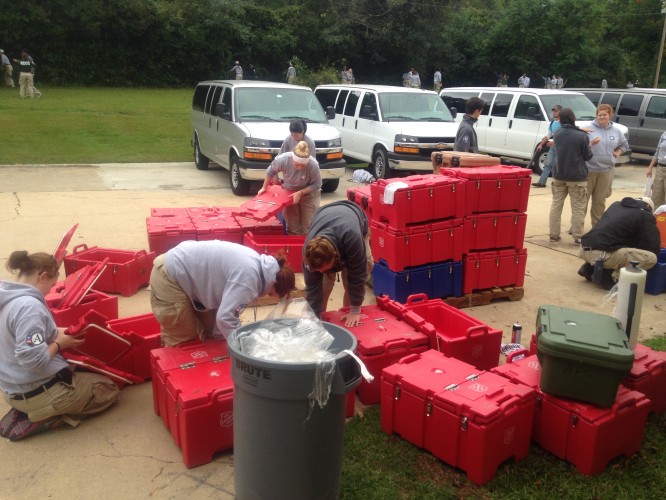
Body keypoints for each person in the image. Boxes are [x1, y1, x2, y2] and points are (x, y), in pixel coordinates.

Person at [0, 250, 119, 440]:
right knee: (108, 388)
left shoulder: (6, 295)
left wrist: (56, 332)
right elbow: (33, 360)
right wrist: (58, 343)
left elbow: (21, 335)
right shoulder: (29, 307)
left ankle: (27, 407)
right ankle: (46, 414)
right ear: (43, 276)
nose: (50, 291)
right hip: (36, 391)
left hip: (12, 389)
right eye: (52, 285)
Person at [150, 240, 295, 346]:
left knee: (209, 331)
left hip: (187, 270)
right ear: (274, 283)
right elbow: (225, 317)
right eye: (271, 294)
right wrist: (243, 346)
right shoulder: (249, 280)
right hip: (169, 275)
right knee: (183, 338)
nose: (265, 295)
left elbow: (230, 309)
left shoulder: (259, 265)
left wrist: (221, 335)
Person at [303, 200, 371, 327]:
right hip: (324, 215)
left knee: (357, 274)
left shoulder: (352, 237)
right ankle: (320, 318)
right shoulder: (308, 252)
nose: (322, 273)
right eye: (319, 270)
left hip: (354, 218)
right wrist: (313, 320)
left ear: (335, 257)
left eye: (324, 269)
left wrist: (355, 310)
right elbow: (312, 289)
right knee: (324, 286)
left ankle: (348, 314)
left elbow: (358, 275)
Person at [578, 197, 659, 290]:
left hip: (584, 249)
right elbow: (653, 246)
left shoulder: (616, 205)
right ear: (648, 206)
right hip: (602, 256)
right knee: (652, 258)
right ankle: (611, 275)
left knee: (612, 240)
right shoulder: (645, 214)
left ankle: (589, 267)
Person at [548, 107, 593, 244]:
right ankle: (578, 236)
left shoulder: (557, 133)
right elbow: (587, 156)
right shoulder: (582, 136)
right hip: (577, 176)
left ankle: (554, 234)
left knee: (556, 206)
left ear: (560, 119)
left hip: (559, 174)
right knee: (578, 208)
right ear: (573, 118)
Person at [258, 140, 321, 235]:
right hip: (289, 192)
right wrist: (264, 187)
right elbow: (270, 171)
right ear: (292, 158)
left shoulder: (313, 165)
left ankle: (307, 246)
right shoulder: (282, 160)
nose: (299, 168)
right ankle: (294, 246)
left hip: (309, 193)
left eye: (303, 165)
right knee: (292, 225)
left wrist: (301, 193)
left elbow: (317, 184)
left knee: (308, 225)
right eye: (296, 164)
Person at [584, 103, 630, 227]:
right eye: (600, 115)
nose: (602, 117)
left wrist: (618, 152)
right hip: (588, 170)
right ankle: (576, 226)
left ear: (610, 115)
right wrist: (591, 143)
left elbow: (625, 145)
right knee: (583, 200)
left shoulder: (616, 130)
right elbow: (579, 145)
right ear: (596, 115)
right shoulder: (587, 128)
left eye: (605, 114)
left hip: (606, 171)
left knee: (599, 201)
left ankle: (596, 226)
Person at [532, 105, 562, 188]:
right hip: (554, 147)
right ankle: (542, 182)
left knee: (558, 166)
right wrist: (541, 144)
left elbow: (564, 136)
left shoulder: (563, 123)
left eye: (556, 111)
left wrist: (554, 143)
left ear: (560, 112)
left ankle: (559, 183)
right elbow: (548, 135)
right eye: (553, 111)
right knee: (548, 164)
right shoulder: (552, 123)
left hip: (562, 148)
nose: (554, 112)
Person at [646, 130, 666, 209]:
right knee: (656, 195)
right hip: (660, 169)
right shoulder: (664, 134)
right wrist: (650, 167)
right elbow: (657, 152)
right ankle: (656, 217)